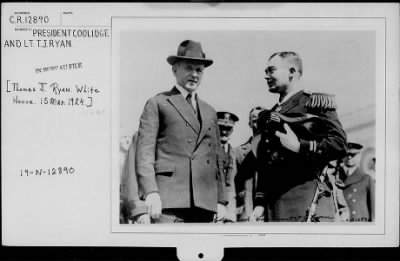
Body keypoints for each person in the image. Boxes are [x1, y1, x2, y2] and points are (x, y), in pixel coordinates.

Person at [135, 40, 228, 223]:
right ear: (175, 69)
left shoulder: (209, 111)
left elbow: (218, 159)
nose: (194, 74)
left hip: (205, 203)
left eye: (199, 70)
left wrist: (221, 199)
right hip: (168, 200)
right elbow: (144, 153)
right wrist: (150, 192)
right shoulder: (158, 103)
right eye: (188, 68)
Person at [251, 51, 348, 222]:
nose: (266, 76)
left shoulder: (314, 103)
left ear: (292, 72)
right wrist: (260, 202)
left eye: (271, 70)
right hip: (275, 206)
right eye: (266, 72)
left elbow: (339, 144)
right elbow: (265, 164)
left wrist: (300, 146)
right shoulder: (272, 113)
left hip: (307, 201)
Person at [234, 106, 266, 221]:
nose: (258, 124)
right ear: (250, 124)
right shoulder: (237, 152)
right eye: (255, 121)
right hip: (245, 212)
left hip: (270, 213)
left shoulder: (277, 151)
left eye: (262, 120)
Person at [338, 142, 375, 222]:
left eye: (353, 154)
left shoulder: (367, 179)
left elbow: (373, 211)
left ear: (359, 156)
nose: (349, 157)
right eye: (346, 154)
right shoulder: (336, 178)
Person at [120, 132, 150, 224]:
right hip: (148, 210)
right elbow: (130, 181)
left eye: (127, 137)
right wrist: (139, 211)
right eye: (124, 136)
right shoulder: (142, 136)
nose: (127, 140)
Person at [217, 111, 239, 222]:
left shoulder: (234, 152)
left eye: (228, 129)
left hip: (229, 210)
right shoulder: (207, 151)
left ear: (233, 130)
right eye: (221, 127)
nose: (224, 132)